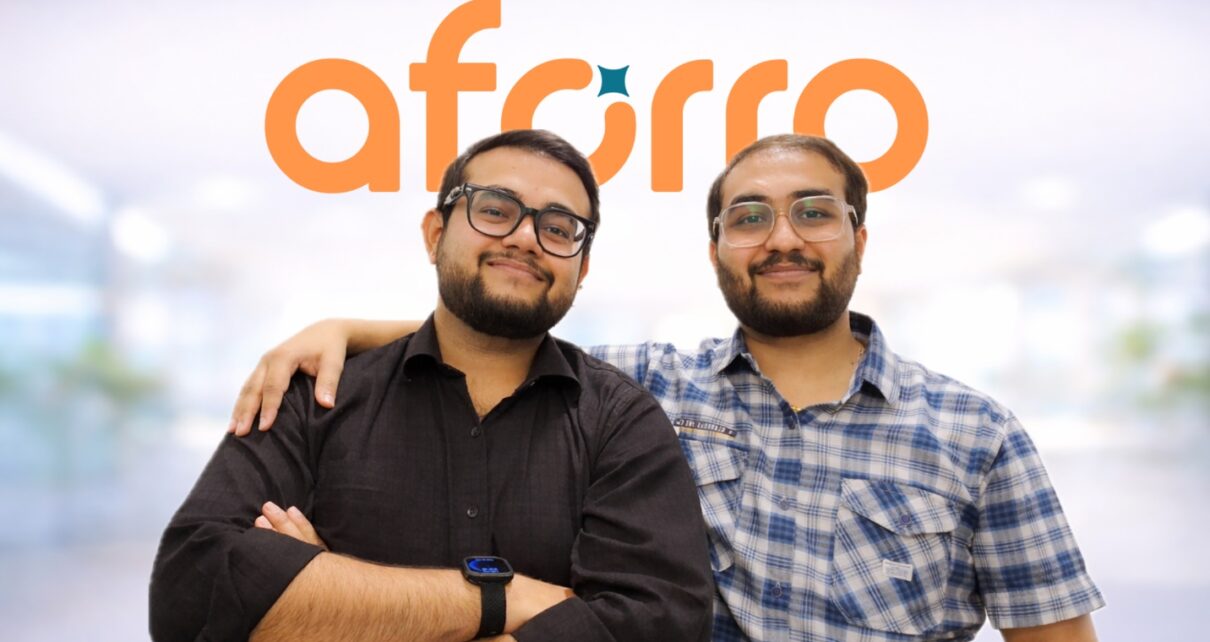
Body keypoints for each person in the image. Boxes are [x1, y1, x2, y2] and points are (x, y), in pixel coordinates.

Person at [230, 134, 1105, 641]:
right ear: (717, 248)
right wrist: (344, 329)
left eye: (814, 212)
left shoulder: (976, 434)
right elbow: (495, 333)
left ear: (860, 240)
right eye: (748, 218)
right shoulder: (644, 389)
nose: (782, 238)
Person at [150, 129, 714, 642]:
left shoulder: (621, 421)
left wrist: (339, 602)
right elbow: (190, 594)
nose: (525, 237)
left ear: (581, 269)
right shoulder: (315, 395)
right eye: (495, 209)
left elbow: (659, 624)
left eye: (559, 228)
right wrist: (506, 599)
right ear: (435, 234)